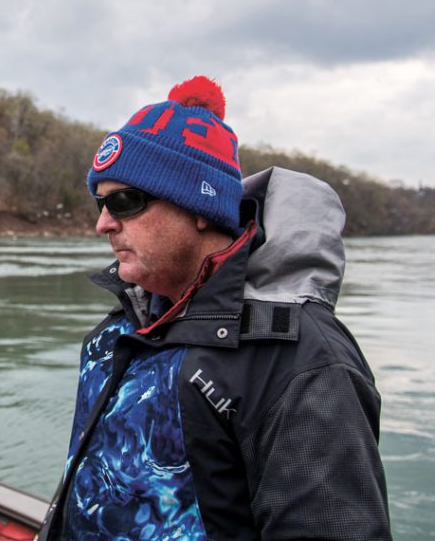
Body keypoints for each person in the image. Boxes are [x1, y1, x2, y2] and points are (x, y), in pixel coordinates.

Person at [37, 76, 390, 540]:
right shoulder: (121, 329)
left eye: (123, 202)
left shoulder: (301, 360)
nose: (103, 223)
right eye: (101, 203)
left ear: (199, 206)